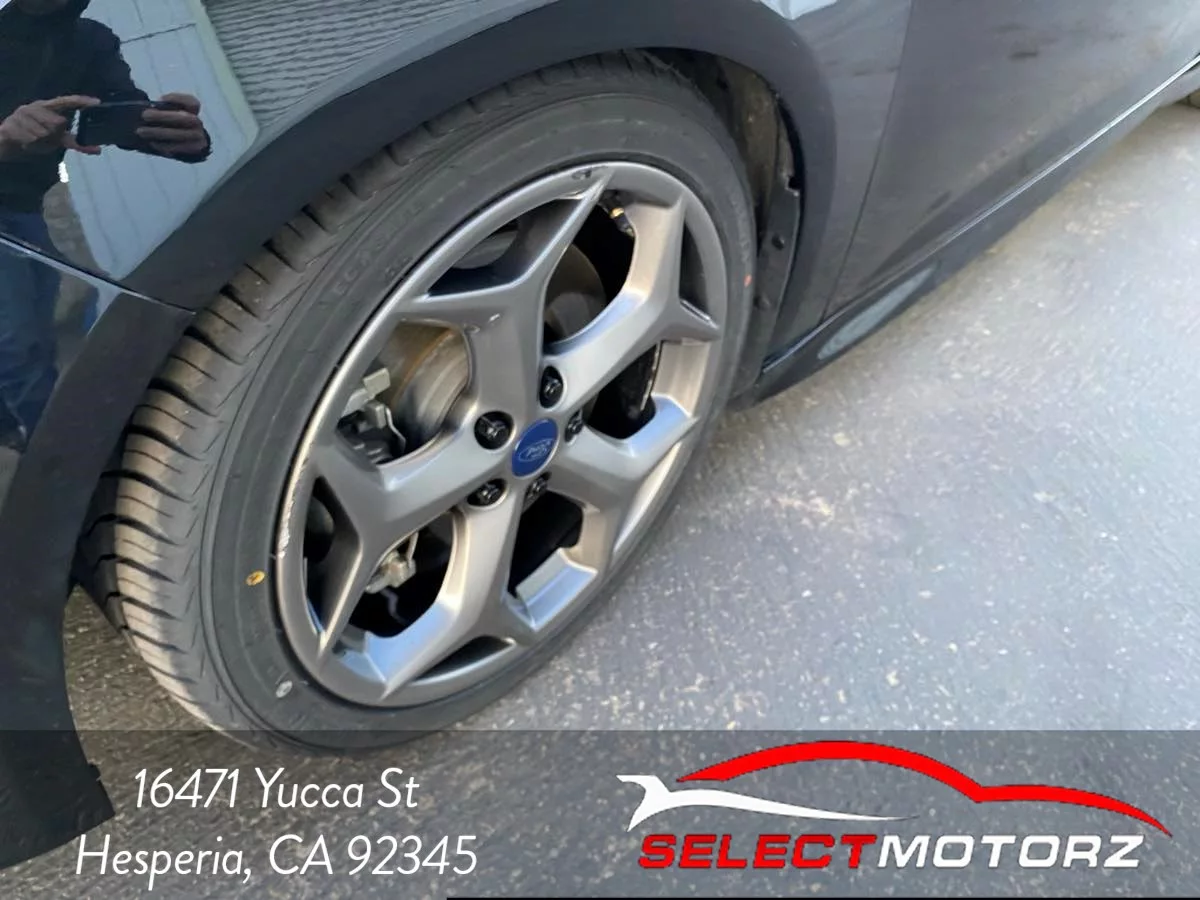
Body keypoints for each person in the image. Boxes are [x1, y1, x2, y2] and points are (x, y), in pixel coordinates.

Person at [0, 0, 210, 451]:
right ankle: (52, 457)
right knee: (17, 341)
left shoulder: (90, 41)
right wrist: (4, 138)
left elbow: (118, 115)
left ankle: (19, 426)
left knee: (33, 331)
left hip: (28, 208)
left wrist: (183, 139)